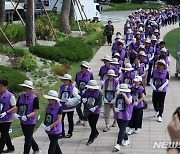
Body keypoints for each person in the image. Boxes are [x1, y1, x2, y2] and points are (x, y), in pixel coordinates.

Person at [15, 80, 40, 154]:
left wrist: (27, 116)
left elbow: (35, 112)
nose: (24, 89)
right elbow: (17, 107)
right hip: (22, 121)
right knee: (28, 136)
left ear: (30, 89)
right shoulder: (20, 97)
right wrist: (16, 114)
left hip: (30, 121)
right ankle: (36, 149)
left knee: (27, 139)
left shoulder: (35, 98)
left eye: (26, 87)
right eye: (24, 87)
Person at [59, 74, 80, 138]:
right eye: (64, 80)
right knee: (60, 120)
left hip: (70, 107)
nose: (65, 81)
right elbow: (59, 95)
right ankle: (62, 132)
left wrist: (70, 102)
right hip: (62, 106)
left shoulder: (73, 88)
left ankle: (70, 132)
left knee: (70, 120)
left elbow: (77, 97)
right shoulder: (61, 87)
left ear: (69, 81)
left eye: (66, 80)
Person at [113, 84, 133, 152]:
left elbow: (128, 103)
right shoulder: (118, 96)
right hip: (119, 115)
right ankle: (127, 139)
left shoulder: (129, 96)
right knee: (122, 129)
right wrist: (115, 108)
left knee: (122, 130)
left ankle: (118, 144)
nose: (122, 93)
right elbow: (114, 103)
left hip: (126, 116)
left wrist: (125, 96)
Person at [42, 90, 63, 154]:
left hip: (56, 130)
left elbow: (59, 120)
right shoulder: (48, 105)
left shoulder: (59, 107)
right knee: (56, 146)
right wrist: (45, 124)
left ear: (54, 99)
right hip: (49, 129)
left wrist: (50, 126)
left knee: (51, 148)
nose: (48, 100)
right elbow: (46, 115)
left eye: (49, 99)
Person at [83, 80, 102, 145]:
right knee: (91, 125)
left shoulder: (99, 93)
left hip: (95, 111)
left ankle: (91, 139)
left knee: (93, 125)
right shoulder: (86, 91)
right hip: (88, 110)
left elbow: (100, 102)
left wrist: (95, 107)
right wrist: (84, 99)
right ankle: (96, 132)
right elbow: (83, 97)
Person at [75, 61, 94, 126]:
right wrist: (76, 91)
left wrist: (87, 91)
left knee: (86, 107)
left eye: (84, 67)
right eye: (82, 67)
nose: (82, 68)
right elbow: (76, 83)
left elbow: (91, 83)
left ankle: (85, 119)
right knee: (77, 106)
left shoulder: (90, 74)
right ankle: (81, 117)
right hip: (79, 92)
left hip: (87, 93)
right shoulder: (78, 74)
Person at [0, 80, 16, 153]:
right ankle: (11, 147)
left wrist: (6, 113)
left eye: (1, 86)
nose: (0, 88)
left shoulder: (10, 96)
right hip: (0, 118)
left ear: (6, 87)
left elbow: (14, 107)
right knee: (5, 134)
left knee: (3, 136)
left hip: (7, 119)